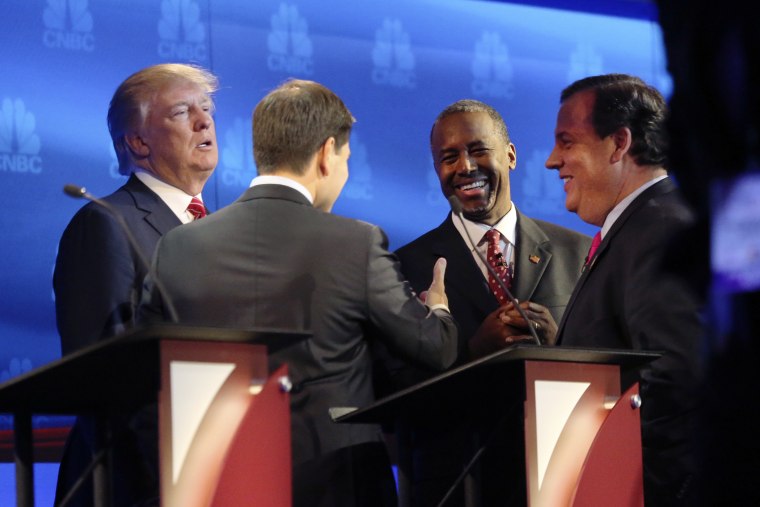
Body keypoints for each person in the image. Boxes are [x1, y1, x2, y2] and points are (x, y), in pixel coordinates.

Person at [138, 79, 459, 507]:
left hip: (215, 482)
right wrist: (437, 308)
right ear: (327, 154)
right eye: (346, 158)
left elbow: (142, 372)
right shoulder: (355, 242)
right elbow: (435, 349)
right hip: (335, 482)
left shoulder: (177, 246)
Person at [380, 99, 590, 506]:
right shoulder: (404, 267)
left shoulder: (576, 253)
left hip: (562, 479)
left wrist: (558, 346)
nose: (465, 167)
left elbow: (607, 367)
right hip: (459, 486)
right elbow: (395, 392)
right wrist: (474, 351)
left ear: (510, 156)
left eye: (478, 150)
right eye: (449, 157)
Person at [53, 63, 219, 506]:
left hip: (217, 466)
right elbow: (99, 369)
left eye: (207, 109)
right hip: (136, 481)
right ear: (138, 142)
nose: (205, 122)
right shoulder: (106, 222)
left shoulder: (221, 232)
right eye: (183, 112)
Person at [545, 73, 703, 506]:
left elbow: (676, 381)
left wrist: (623, 491)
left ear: (619, 143)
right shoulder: (637, 229)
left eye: (567, 141)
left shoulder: (659, 230)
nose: (552, 160)